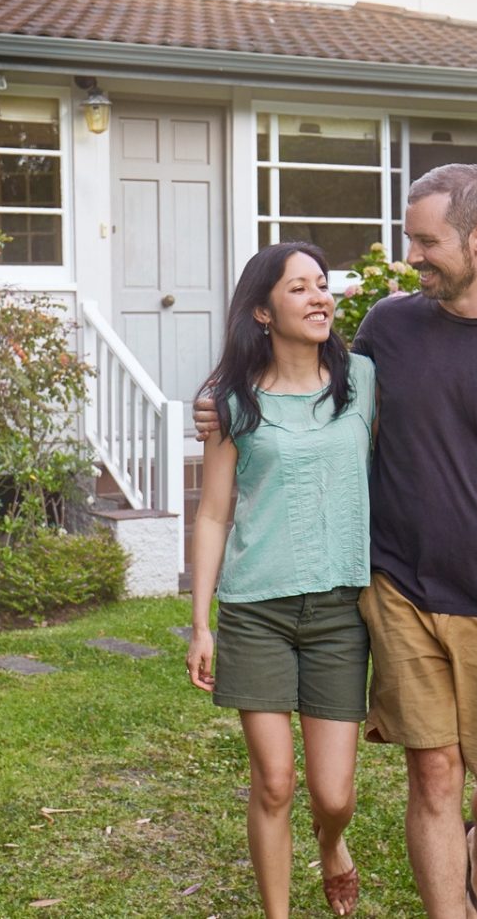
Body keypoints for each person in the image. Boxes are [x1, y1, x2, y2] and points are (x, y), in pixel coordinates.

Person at [198, 164, 477, 919]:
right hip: (399, 586)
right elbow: (305, 385)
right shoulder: (391, 325)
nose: (411, 258)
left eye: (426, 242)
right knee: (434, 773)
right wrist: (220, 407)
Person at [185, 241, 377, 919]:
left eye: (322, 284)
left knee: (334, 796)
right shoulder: (232, 402)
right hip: (255, 611)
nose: (319, 297)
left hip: (338, 613)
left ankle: (333, 846)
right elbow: (212, 513)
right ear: (263, 311)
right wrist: (201, 622)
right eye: (299, 289)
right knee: (273, 782)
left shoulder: (364, 381)